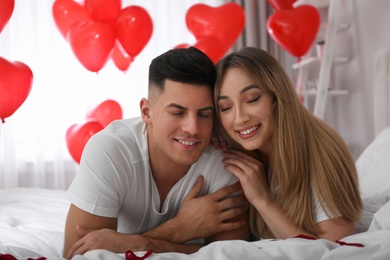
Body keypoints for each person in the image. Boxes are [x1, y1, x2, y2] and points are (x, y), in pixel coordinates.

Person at [63, 47, 250, 258]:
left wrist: (133, 243)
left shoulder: (224, 159)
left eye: (204, 114)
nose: (193, 128)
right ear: (146, 112)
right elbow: (75, 254)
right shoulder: (110, 150)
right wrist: (180, 228)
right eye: (177, 112)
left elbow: (235, 254)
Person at [212, 47, 363, 242]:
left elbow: (334, 249)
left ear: (276, 97)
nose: (239, 119)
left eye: (252, 99)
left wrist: (262, 199)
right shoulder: (234, 148)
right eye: (226, 108)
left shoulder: (323, 152)